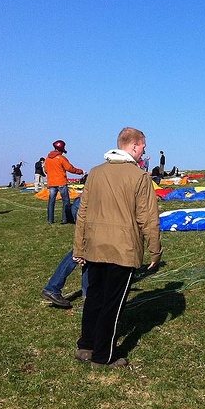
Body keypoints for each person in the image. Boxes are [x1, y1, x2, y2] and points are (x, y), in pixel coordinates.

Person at [73, 127, 163, 368]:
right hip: (122, 250)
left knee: (94, 297)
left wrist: (79, 247)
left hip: (95, 246)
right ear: (133, 146)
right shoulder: (140, 177)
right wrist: (155, 250)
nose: (145, 151)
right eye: (143, 147)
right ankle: (103, 356)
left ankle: (86, 345)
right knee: (112, 303)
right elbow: (148, 217)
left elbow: (83, 213)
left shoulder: (95, 173)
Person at [41, 198, 88, 308]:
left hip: (83, 204)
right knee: (83, 249)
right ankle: (52, 288)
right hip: (85, 207)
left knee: (87, 251)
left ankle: (87, 294)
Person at [44, 140, 84, 224]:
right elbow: (70, 168)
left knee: (51, 201)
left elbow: (46, 170)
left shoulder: (47, 158)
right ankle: (64, 219)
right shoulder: (61, 158)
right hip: (61, 182)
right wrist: (80, 171)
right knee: (66, 201)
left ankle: (50, 220)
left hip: (51, 183)